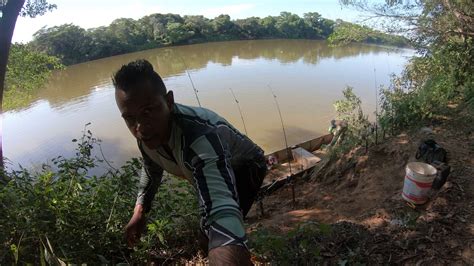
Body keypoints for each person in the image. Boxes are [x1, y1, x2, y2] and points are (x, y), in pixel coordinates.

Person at [112, 59, 267, 265]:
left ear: (169, 101)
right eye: (130, 118)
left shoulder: (200, 137)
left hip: (246, 166)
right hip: (212, 167)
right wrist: (139, 211)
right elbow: (151, 169)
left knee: (215, 229)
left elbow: (221, 209)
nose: (140, 126)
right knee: (206, 234)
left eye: (148, 111)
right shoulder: (146, 136)